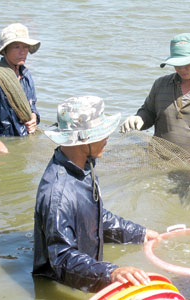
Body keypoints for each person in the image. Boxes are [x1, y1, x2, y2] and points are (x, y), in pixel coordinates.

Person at [33, 96, 159, 292]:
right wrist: (110, 273)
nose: (107, 137)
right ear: (84, 139)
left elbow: (95, 217)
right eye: (101, 133)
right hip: (60, 286)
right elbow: (62, 258)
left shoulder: (83, 166)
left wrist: (140, 234)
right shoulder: (57, 194)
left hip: (87, 273)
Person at [120, 33, 190, 162]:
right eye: (177, 64)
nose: (182, 69)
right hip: (157, 161)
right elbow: (149, 112)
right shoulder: (160, 85)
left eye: (187, 63)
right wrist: (139, 118)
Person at [0, 23, 41, 153]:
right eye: (16, 47)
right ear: (4, 51)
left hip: (21, 140)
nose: (23, 52)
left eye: (25, 47)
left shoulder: (25, 75)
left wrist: (34, 117)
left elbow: (32, 105)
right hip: (0, 142)